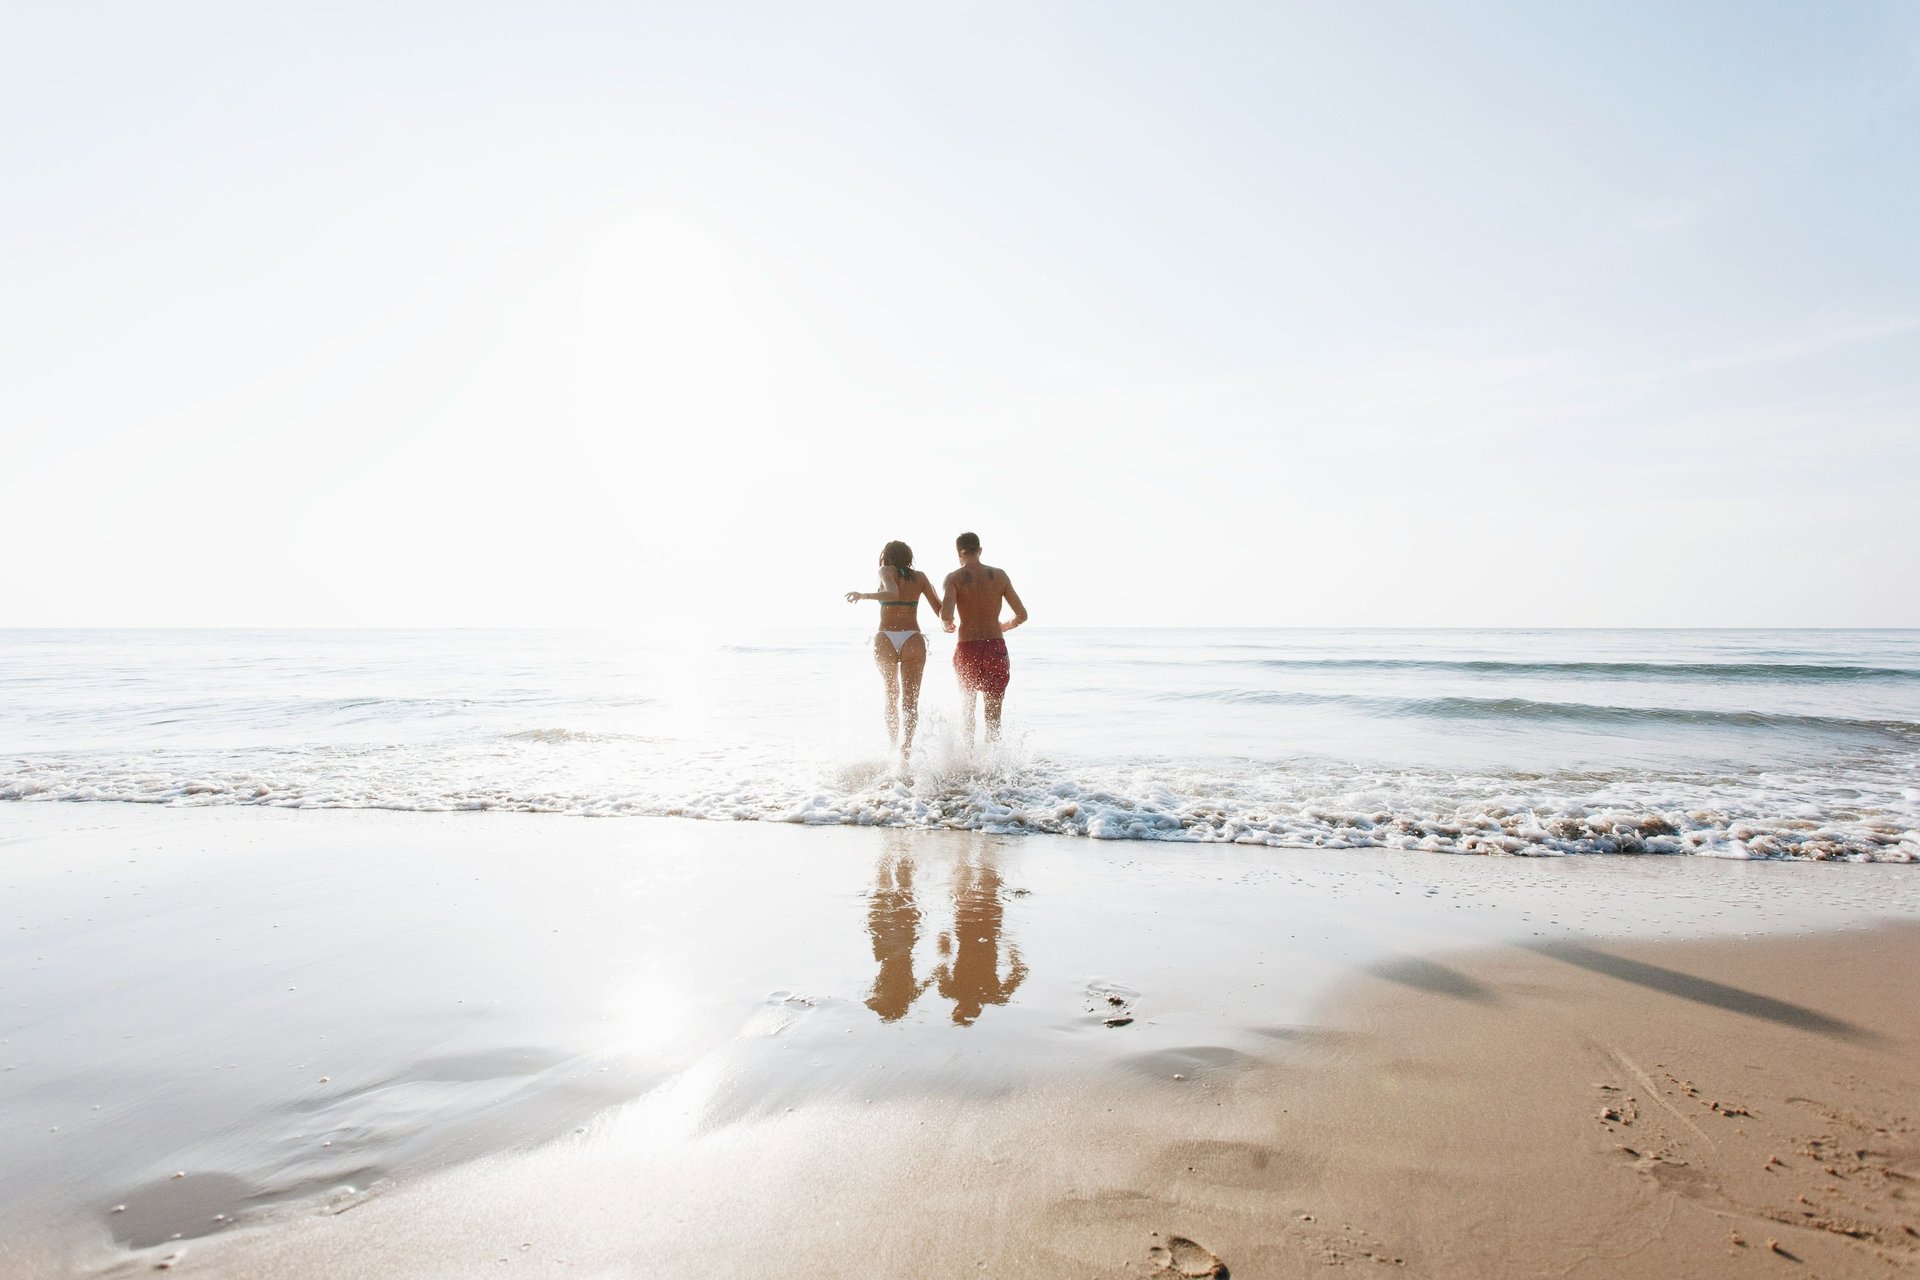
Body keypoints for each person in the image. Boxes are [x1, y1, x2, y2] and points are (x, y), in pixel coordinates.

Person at [845, 540, 943, 759]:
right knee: (910, 700)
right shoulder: (920, 577)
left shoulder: (885, 570)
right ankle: (905, 750)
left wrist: (864, 595)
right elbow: (940, 610)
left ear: (886, 556)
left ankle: (893, 748)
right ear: (909, 557)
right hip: (913, 638)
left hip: (886, 637)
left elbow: (893, 594)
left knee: (891, 695)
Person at [940, 531, 1027, 745]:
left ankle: (970, 762)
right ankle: (993, 769)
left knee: (968, 709)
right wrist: (1004, 626)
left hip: (967, 647)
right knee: (994, 714)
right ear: (979, 551)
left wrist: (947, 625)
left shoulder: (953, 578)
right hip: (995, 646)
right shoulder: (999, 575)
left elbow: (946, 615)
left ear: (959, 553)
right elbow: (1022, 615)